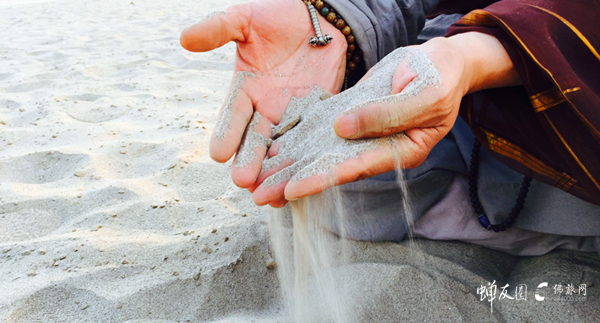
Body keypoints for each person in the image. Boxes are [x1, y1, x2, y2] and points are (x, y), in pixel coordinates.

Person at [181, 0, 600, 313]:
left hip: (566, 81)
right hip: (450, 64)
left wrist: (476, 56)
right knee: (333, 175)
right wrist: (333, 20)